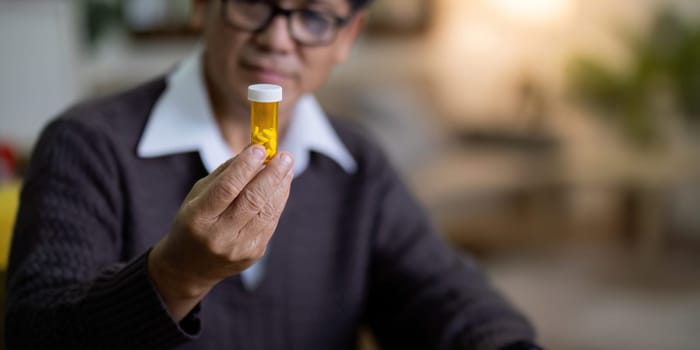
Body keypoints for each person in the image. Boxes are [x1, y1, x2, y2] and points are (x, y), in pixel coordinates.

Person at [5, 0, 542, 349]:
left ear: (347, 35)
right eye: (253, 4)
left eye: (313, 17)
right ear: (201, 7)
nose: (278, 39)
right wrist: (174, 276)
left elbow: (440, 294)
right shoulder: (87, 144)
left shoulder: (357, 163)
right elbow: (34, 334)